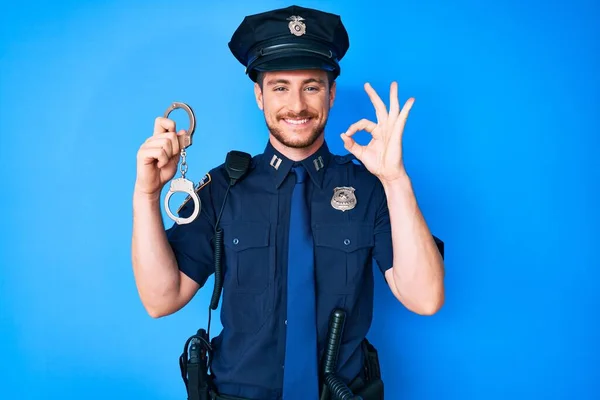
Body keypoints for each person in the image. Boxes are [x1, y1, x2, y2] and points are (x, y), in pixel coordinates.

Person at [131, 4, 445, 400]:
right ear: (259, 95)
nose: (296, 105)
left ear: (331, 94)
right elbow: (162, 299)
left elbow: (425, 298)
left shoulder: (369, 189)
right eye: (280, 86)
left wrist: (396, 180)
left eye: (311, 86)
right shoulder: (223, 188)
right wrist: (147, 195)